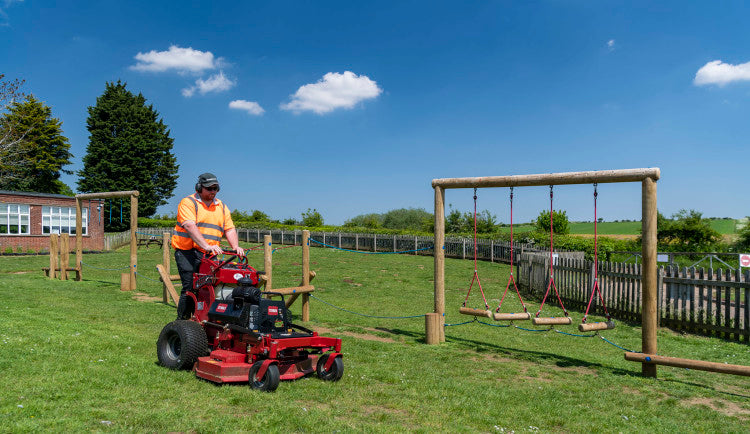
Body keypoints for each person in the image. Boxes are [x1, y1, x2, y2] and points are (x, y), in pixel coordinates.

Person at [172, 172, 245, 319]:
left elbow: (229, 228)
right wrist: (206, 245)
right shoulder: (189, 202)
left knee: (211, 287)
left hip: (209, 254)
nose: (213, 192)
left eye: (215, 189)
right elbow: (189, 225)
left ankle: (205, 319)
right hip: (187, 252)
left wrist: (236, 246)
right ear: (199, 188)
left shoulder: (222, 207)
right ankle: (183, 321)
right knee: (190, 288)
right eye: (209, 188)